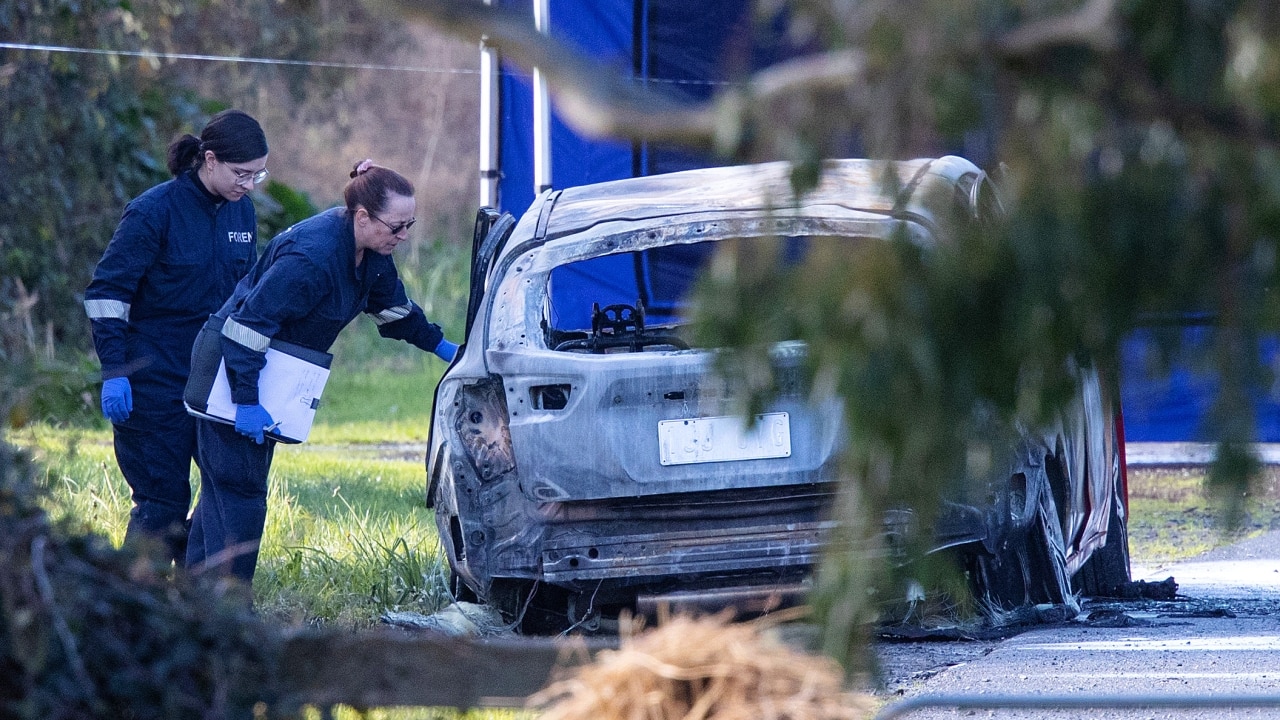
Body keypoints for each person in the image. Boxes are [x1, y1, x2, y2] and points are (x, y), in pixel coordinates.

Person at [187, 159, 458, 583]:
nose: (404, 236)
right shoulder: (311, 259)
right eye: (397, 227)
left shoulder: (371, 252)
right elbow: (247, 329)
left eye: (410, 225)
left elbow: (394, 310)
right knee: (240, 493)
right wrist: (246, 401)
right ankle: (229, 612)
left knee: (225, 492)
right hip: (232, 368)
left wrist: (443, 347)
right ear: (363, 216)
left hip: (266, 370)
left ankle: (197, 600)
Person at [85, 109, 270, 564]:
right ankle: (133, 608)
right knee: (162, 505)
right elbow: (107, 293)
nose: (248, 185)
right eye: (241, 173)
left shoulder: (241, 212)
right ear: (209, 160)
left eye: (258, 175)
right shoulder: (153, 212)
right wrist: (115, 370)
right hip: (153, 384)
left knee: (221, 500)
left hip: (213, 383)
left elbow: (247, 296)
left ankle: (199, 608)